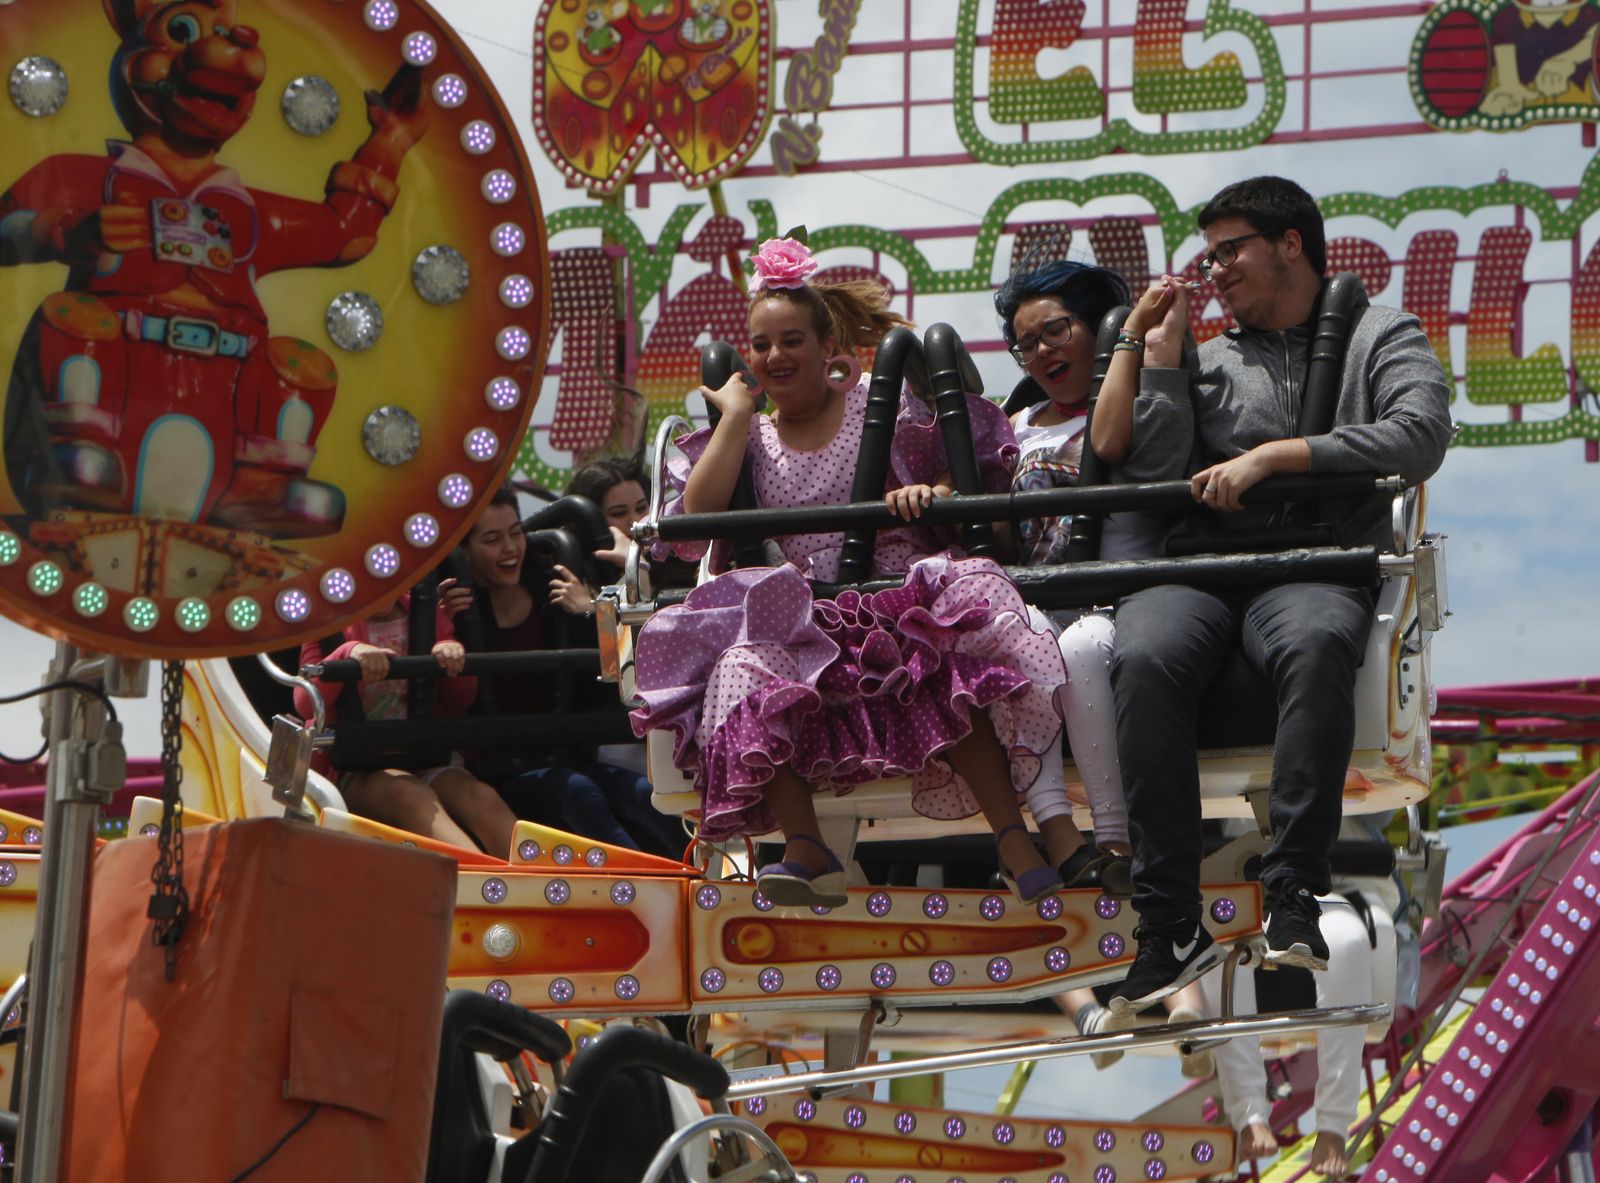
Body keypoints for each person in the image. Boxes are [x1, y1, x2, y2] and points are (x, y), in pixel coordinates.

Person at [631, 236, 1071, 908]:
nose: (775, 356)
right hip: (802, 606)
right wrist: (738, 415)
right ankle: (806, 845)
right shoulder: (749, 431)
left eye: (791, 340)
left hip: (889, 585)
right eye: (761, 344)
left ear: (826, 344)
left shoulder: (877, 402)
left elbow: (957, 462)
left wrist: (933, 491)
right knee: (740, 667)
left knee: (937, 658)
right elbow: (698, 510)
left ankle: (1012, 837)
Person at [1105, 176, 1453, 1012]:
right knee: (1142, 650)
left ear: (1290, 243)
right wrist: (1158, 360)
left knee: (1316, 639)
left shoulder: (1382, 334)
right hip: (1205, 576)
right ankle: (1166, 923)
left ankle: (1293, 889)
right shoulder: (1211, 357)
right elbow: (1152, 471)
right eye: (1210, 254)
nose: (1215, 270)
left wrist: (1277, 456)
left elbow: (1421, 432)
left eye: (1231, 250)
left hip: (1314, 568)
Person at [993, 256, 1187, 894]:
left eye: (1055, 332)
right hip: (1040, 601)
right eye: (1025, 344)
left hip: (1117, 603)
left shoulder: (1134, 396)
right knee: (1012, 642)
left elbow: (1110, 443)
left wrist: (1132, 339)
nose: (1040, 352)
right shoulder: (1015, 427)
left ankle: (1114, 838)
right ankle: (1055, 829)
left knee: (1076, 647)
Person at [442, 486, 685, 858]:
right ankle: (639, 887)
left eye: (515, 533)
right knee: (577, 792)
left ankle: (702, 884)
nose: (510, 547)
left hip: (563, 751)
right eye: (492, 539)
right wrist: (440, 628)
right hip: (499, 768)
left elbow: (614, 670)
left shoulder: (550, 585)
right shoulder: (455, 611)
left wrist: (589, 611)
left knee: (642, 795)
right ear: (465, 554)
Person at [295, 588, 517, 856]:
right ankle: (485, 885)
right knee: (409, 795)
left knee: (481, 797)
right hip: (355, 767)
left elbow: (462, 701)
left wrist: (451, 661)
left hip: (425, 753)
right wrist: (346, 652)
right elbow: (304, 702)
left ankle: (541, 882)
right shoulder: (327, 619)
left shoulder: (424, 612)